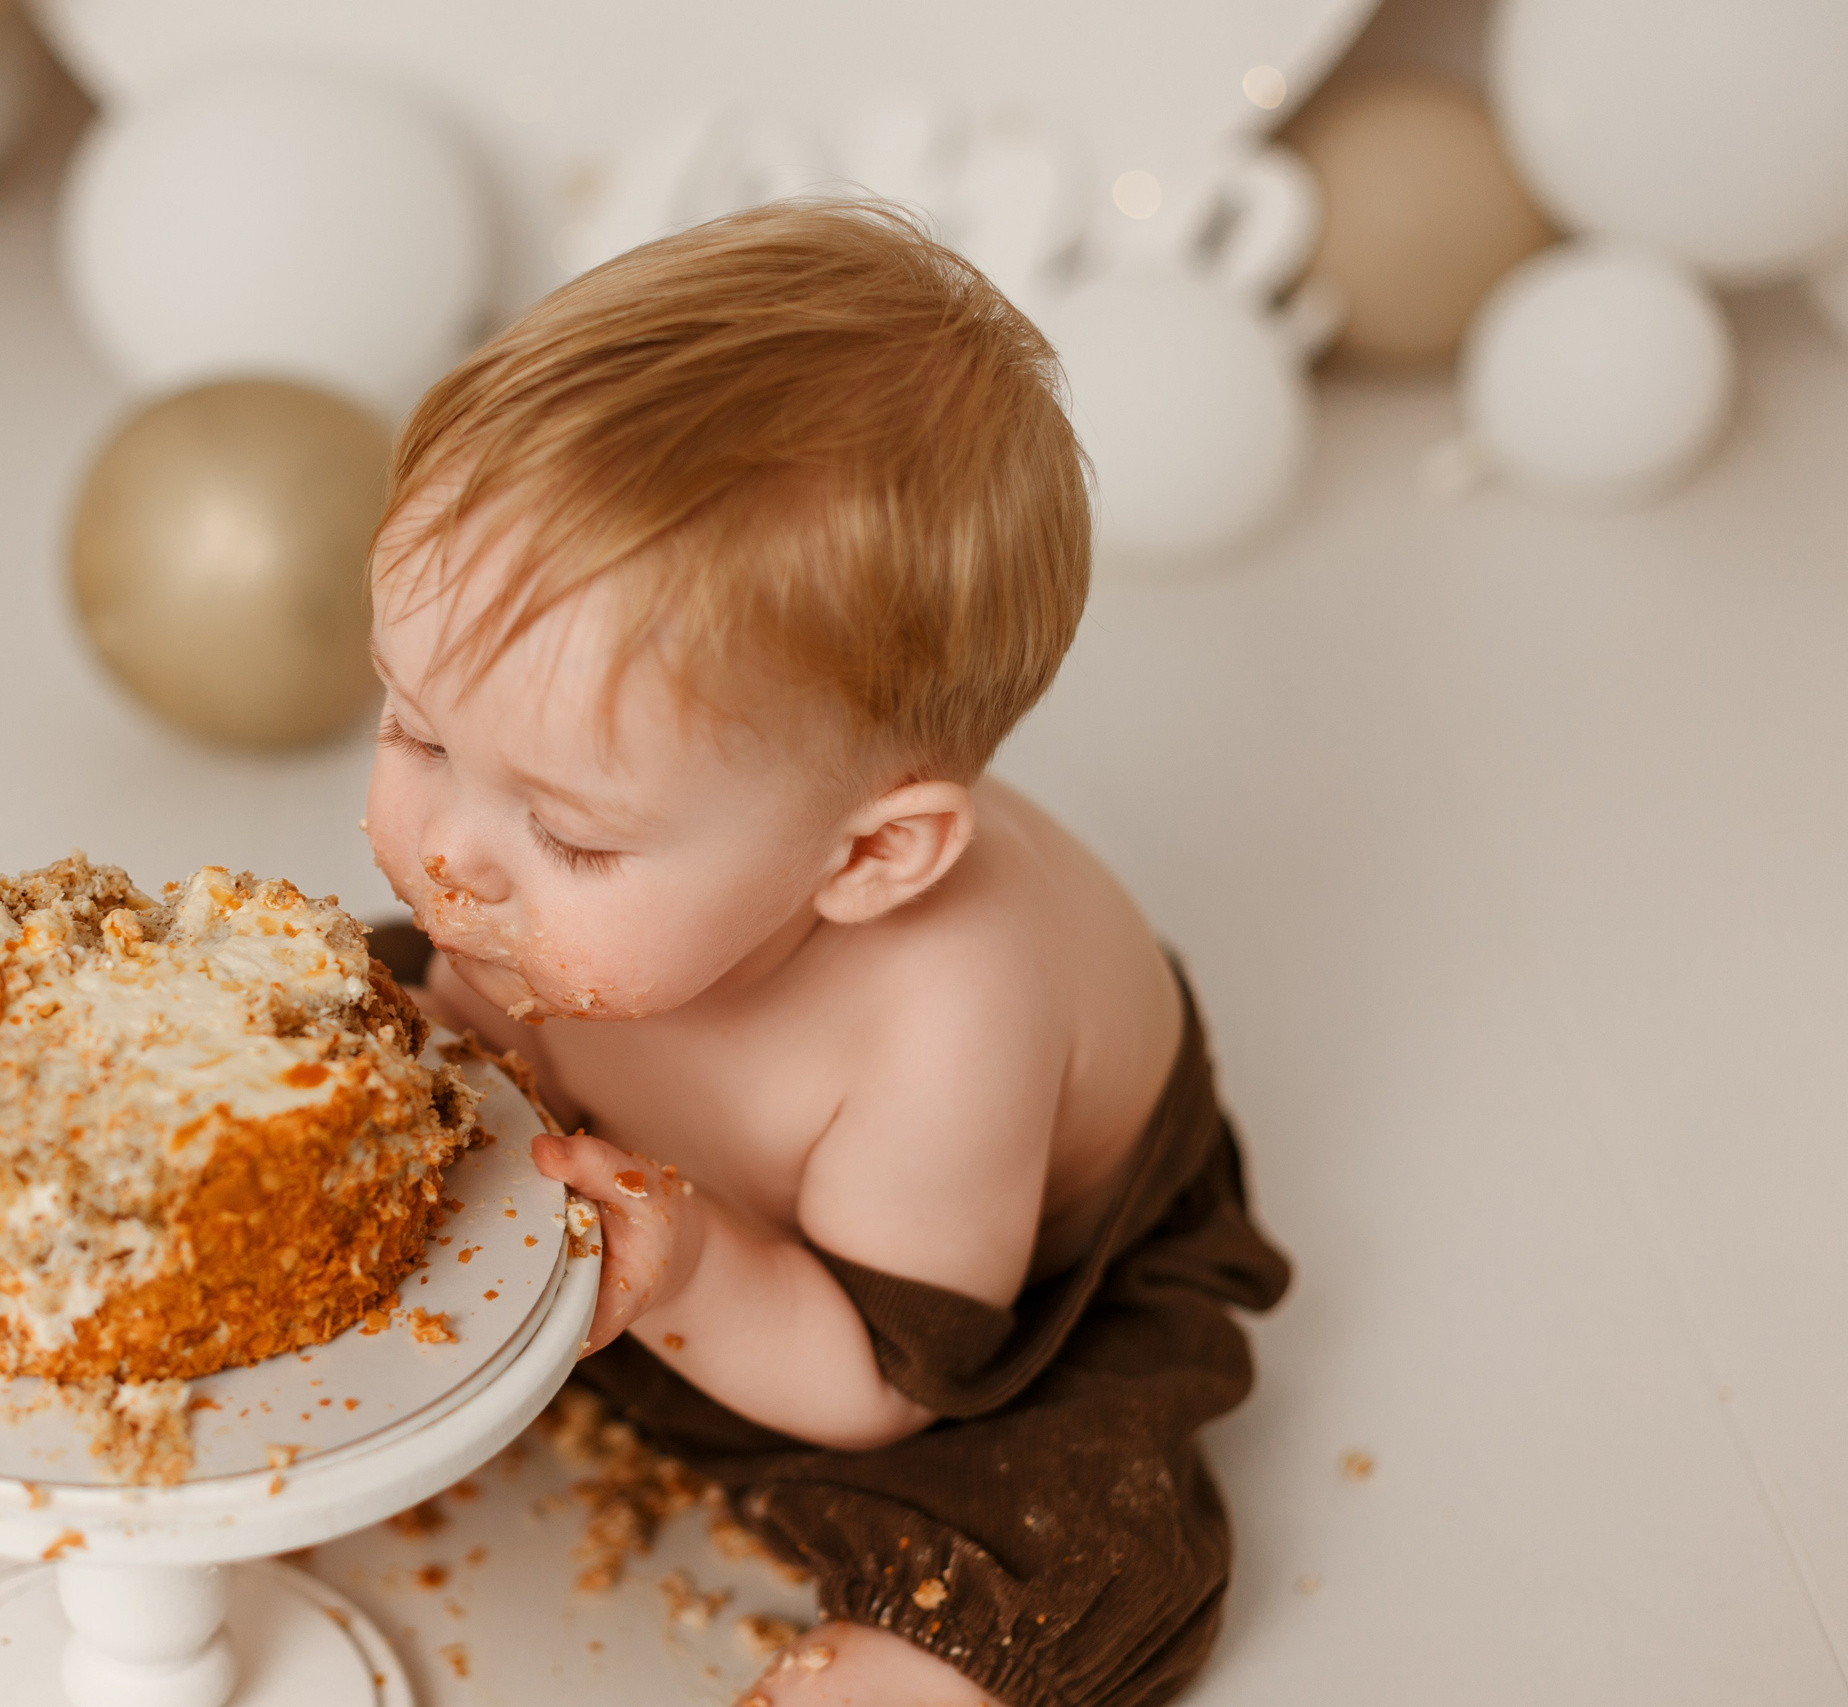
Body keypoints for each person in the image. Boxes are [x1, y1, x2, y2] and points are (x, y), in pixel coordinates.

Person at [361, 199, 1291, 1707]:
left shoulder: (946, 1020)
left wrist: (695, 1272)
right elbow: (467, 994)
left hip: (959, 1304)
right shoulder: (562, 882)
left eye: (575, 835)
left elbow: (874, 1386)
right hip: (680, 1134)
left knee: (1049, 1521)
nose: (449, 853)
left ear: (864, 860)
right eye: (413, 728)